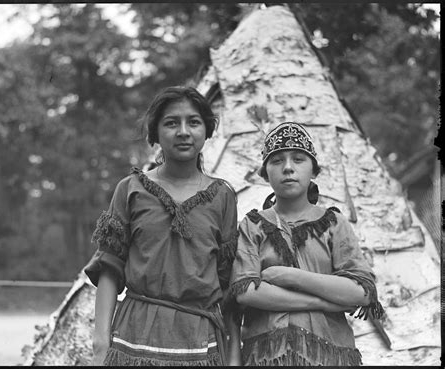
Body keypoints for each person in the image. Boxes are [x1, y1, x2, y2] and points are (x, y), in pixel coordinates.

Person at [84, 86, 239, 366]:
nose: (183, 131)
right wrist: (100, 343)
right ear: (155, 133)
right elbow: (109, 267)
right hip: (134, 338)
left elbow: (227, 281)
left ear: (207, 130)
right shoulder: (130, 189)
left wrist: (233, 353)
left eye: (193, 122)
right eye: (171, 123)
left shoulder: (223, 196)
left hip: (200, 344)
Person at [228, 122, 384, 366]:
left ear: (313, 170)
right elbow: (246, 292)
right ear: (265, 172)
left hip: (331, 355)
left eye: (298, 159)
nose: (288, 168)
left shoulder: (333, 223)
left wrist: (288, 275)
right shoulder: (253, 225)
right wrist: (322, 302)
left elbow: (361, 292)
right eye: (277, 160)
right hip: (268, 356)